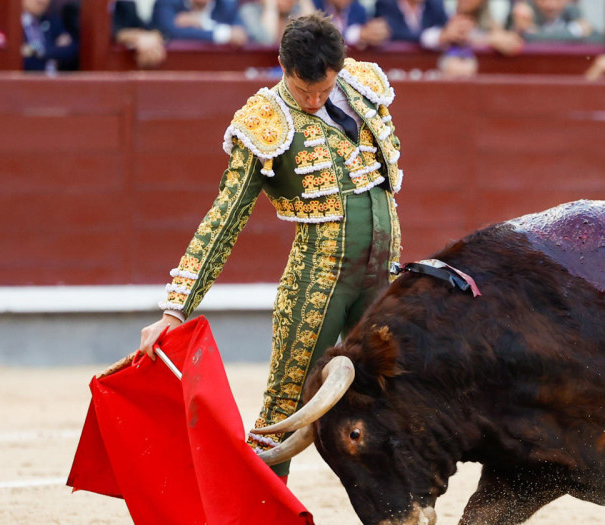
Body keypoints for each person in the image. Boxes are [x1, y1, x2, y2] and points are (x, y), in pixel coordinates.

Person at [136, 11, 404, 478]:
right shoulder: (264, 121)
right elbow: (224, 218)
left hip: (384, 275)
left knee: (393, 401)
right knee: (284, 407)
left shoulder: (363, 86)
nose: (316, 99)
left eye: (324, 88)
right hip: (318, 283)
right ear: (282, 65)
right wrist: (175, 309)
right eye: (305, 91)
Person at [373, 0, 467, 51]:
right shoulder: (385, 4)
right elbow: (394, 32)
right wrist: (435, 37)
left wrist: (457, 30)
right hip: (395, 61)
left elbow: (445, 27)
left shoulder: (435, 4)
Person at [152, 0, 246, 46]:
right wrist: (226, 34)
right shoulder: (167, 3)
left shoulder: (226, 4)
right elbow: (170, 31)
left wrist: (203, 23)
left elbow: (241, 35)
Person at [21, 0, 78, 71]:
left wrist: (37, 51)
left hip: (55, 79)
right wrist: (54, 49)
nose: (41, 1)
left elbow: (71, 50)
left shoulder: (52, 21)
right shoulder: (12, 26)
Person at [451, 0, 521, 55]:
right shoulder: (446, 9)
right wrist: (490, 39)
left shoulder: (494, 10)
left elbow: (506, 39)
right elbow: (455, 36)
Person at [509, 0, 598, 43]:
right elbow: (529, 37)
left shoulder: (572, 11)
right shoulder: (524, 11)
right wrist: (576, 31)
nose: (550, 4)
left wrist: (538, 33)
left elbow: (598, 39)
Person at [314, 0, 388, 50]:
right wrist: (358, 34)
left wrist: (375, 34)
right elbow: (317, 35)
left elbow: (366, 33)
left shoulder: (358, 9)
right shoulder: (313, 5)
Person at [112, 0, 166, 68]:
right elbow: (109, 33)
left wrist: (153, 37)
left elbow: (150, 29)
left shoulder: (125, 5)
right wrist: (135, 37)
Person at [238, 0, 312, 46]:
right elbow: (267, 41)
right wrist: (271, 7)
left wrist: (304, 1)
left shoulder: (296, 11)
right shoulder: (250, 11)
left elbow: (313, 35)